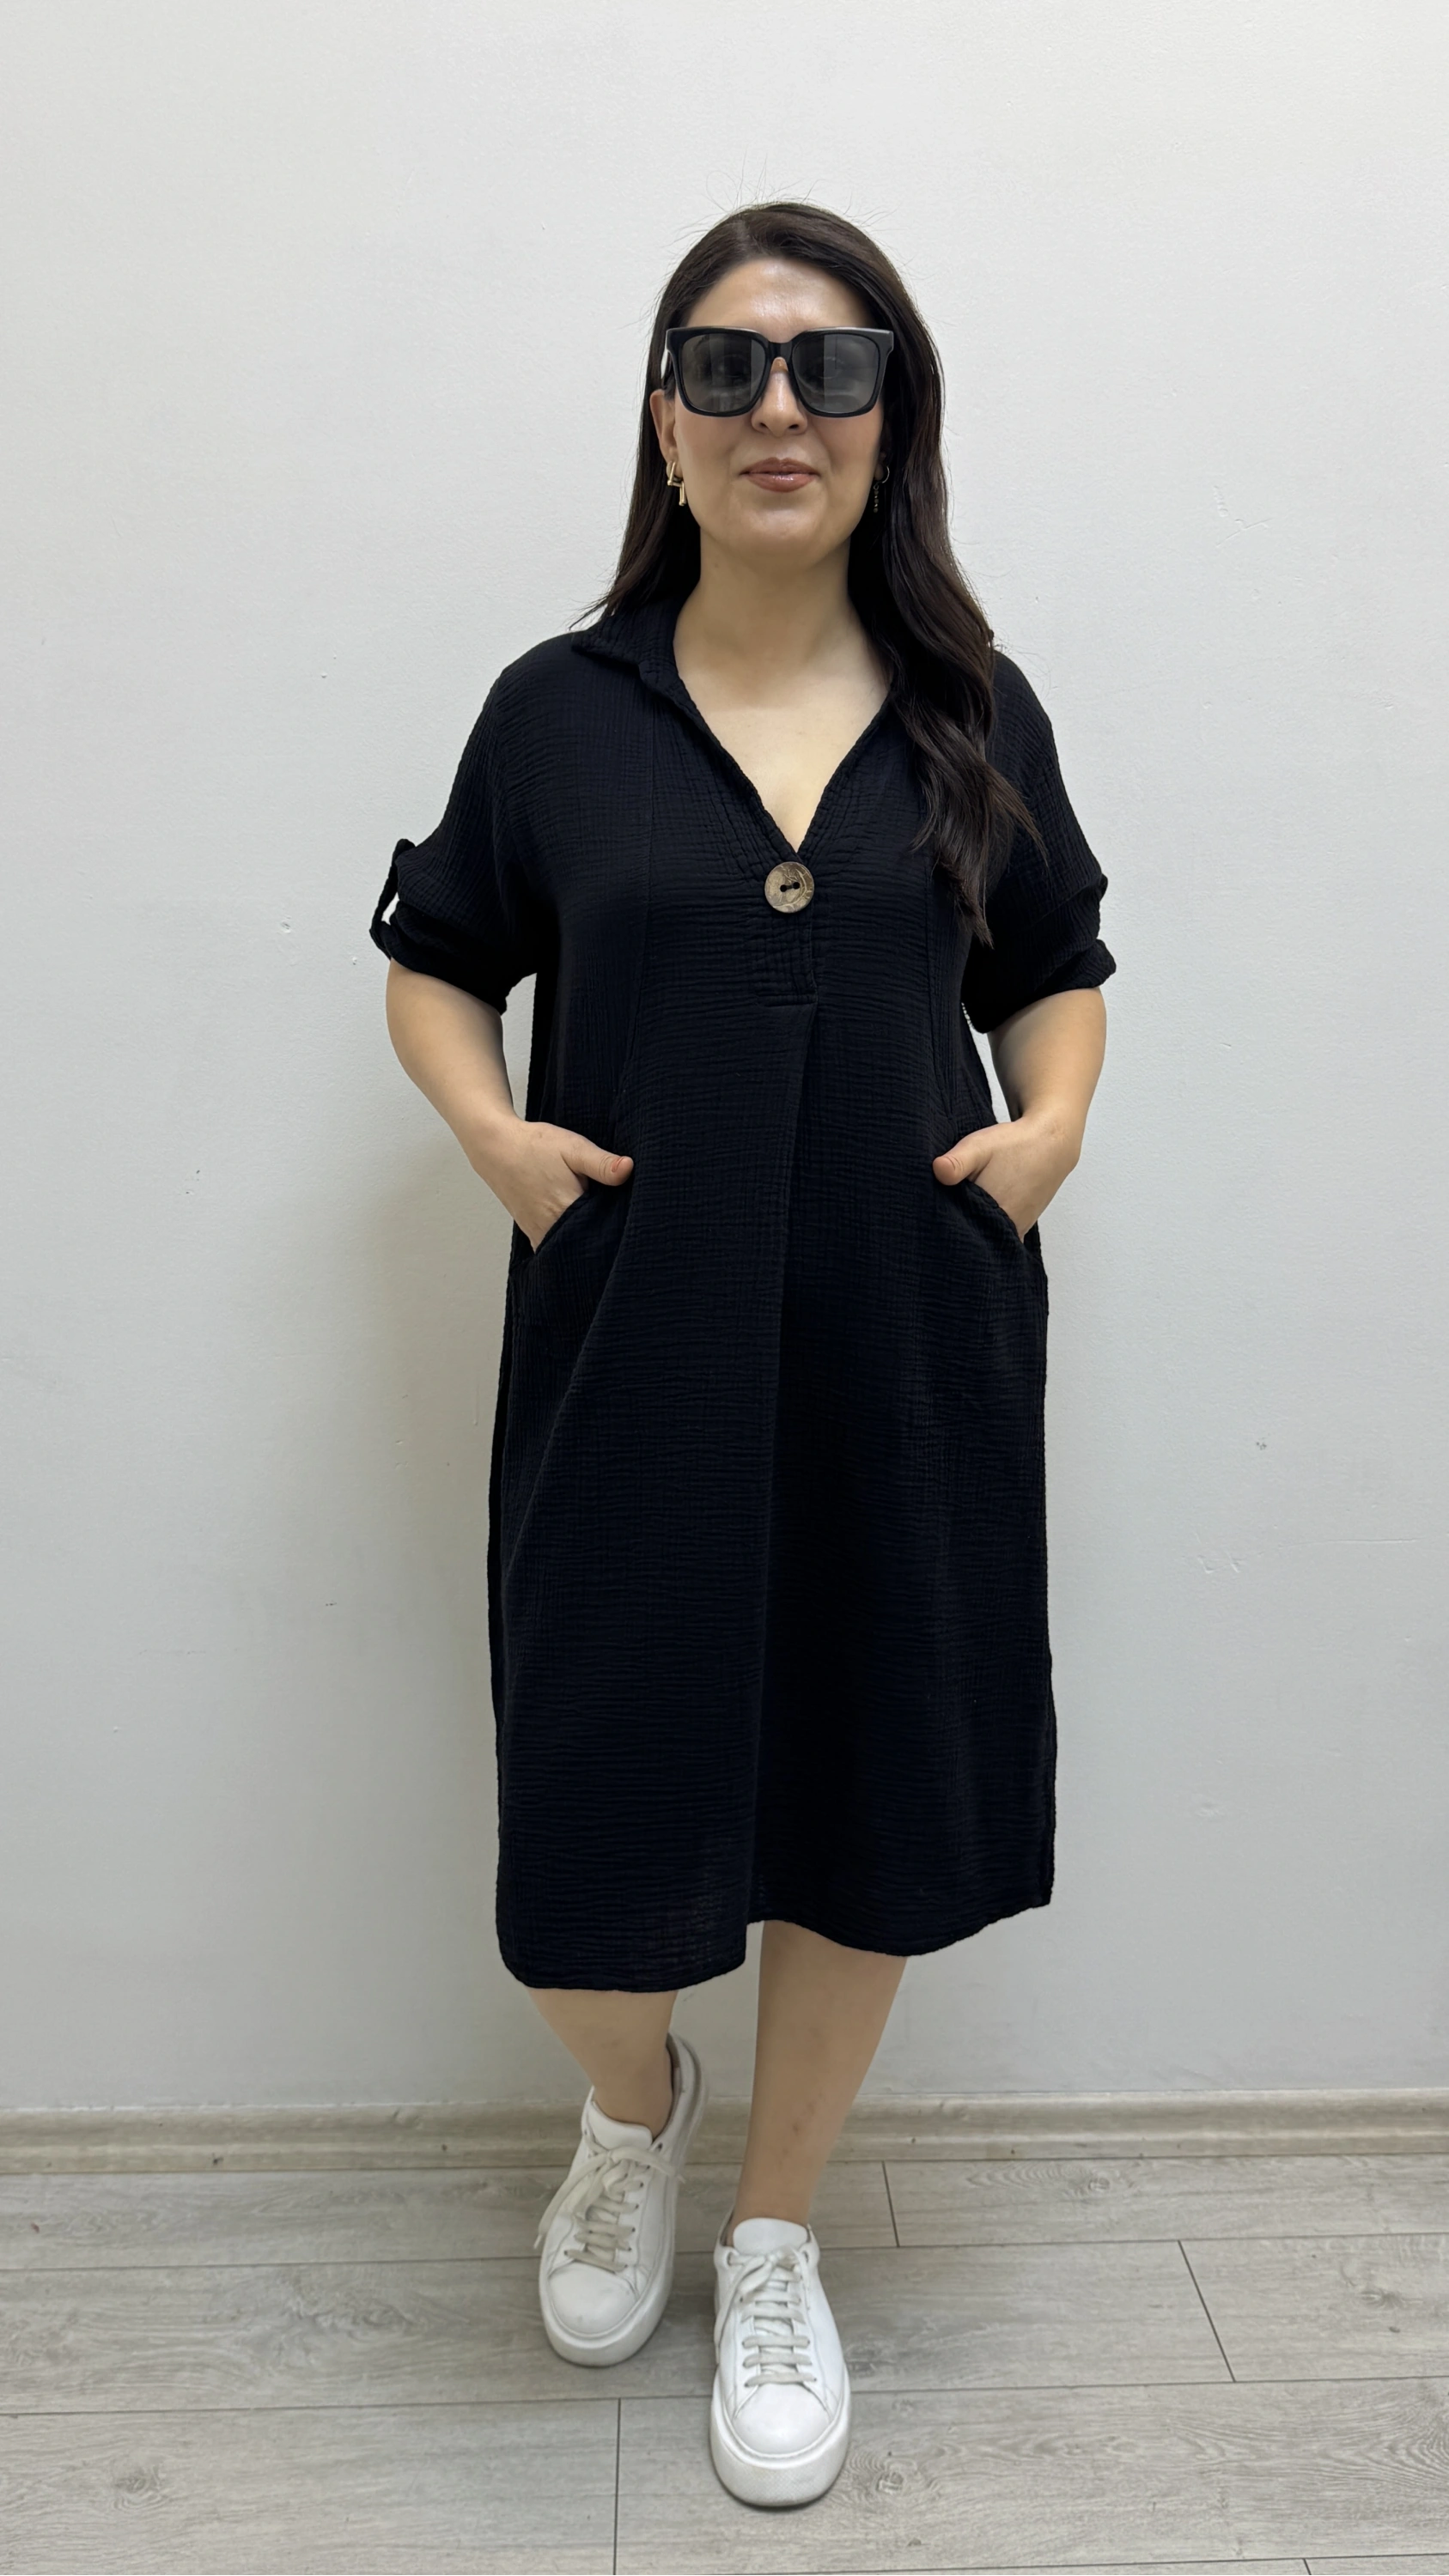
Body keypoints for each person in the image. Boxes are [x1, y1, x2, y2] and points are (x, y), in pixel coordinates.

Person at [371, 201, 1113, 2510]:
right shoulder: (556, 715)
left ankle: (774, 2235)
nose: (779, 407)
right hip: (636, 1337)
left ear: (894, 417)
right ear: (665, 420)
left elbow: (1054, 966)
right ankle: (633, 2114)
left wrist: (1046, 1134)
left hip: (907, 1341)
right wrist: (493, 1136)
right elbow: (435, 952)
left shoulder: (972, 713)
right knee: (598, 1794)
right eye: (726, 365)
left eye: (830, 365)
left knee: (867, 1781)